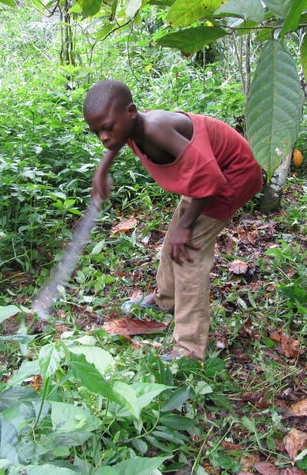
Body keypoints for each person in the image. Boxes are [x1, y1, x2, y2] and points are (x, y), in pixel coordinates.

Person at [83, 80, 263, 361]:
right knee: (174, 239)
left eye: (107, 128)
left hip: (232, 175)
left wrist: (187, 224)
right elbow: (116, 140)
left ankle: (190, 349)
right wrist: (102, 170)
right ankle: (167, 299)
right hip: (206, 176)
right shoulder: (130, 126)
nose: (104, 138)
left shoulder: (155, 130)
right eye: (97, 132)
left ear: (131, 111)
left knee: (188, 249)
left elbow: (212, 179)